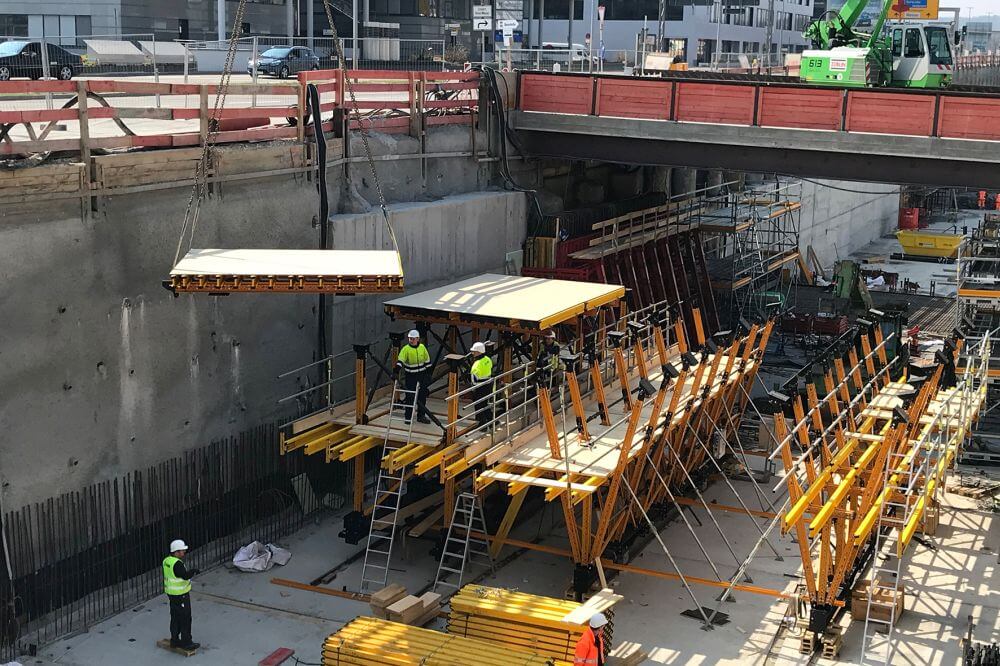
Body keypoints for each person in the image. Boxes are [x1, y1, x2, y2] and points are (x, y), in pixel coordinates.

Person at [163, 539, 200, 651]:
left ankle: (174, 640)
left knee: (175, 617)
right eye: (182, 551)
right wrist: (193, 571)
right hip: (181, 595)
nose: (184, 552)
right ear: (176, 552)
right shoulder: (177, 564)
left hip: (171, 594)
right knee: (185, 618)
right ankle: (187, 642)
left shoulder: (167, 561)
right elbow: (184, 575)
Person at [396, 329, 431, 424]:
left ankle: (421, 416)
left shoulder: (422, 348)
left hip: (422, 375)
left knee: (422, 396)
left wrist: (428, 375)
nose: (411, 340)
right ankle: (408, 417)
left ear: (418, 339)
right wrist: (396, 370)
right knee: (410, 396)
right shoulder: (406, 349)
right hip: (411, 376)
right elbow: (401, 360)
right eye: (410, 339)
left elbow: (427, 361)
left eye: (413, 339)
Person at [469, 341, 494, 428]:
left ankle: (483, 424)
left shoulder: (476, 365)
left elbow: (474, 381)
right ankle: (491, 421)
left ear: (479, 352)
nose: (472, 353)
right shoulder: (487, 359)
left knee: (479, 405)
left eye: (474, 352)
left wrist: (473, 389)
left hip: (480, 388)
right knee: (485, 404)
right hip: (488, 385)